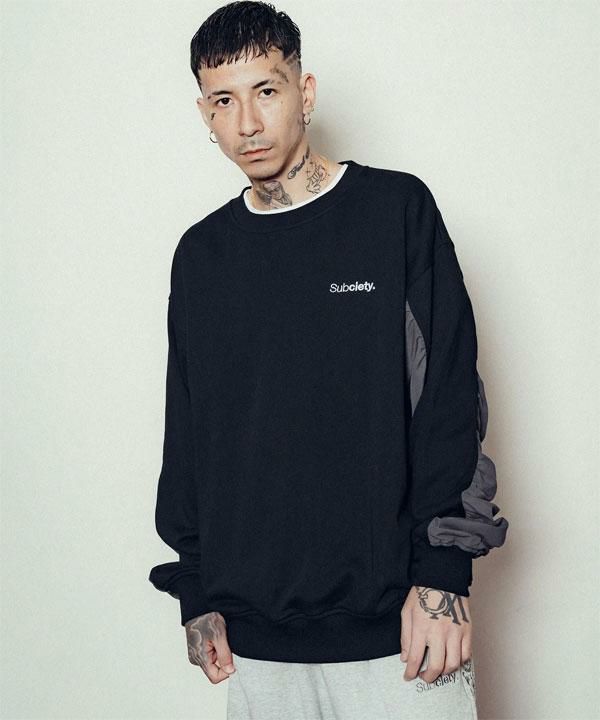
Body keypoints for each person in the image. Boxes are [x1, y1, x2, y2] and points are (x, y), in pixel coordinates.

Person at [148, 2, 509, 718]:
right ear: (205, 114)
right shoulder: (202, 256)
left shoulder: (394, 211)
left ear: (305, 93)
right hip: (255, 643)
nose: (248, 123)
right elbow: (190, 431)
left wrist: (443, 575)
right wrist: (196, 590)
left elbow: (448, 399)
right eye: (225, 101)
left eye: (267, 90)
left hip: (401, 631)